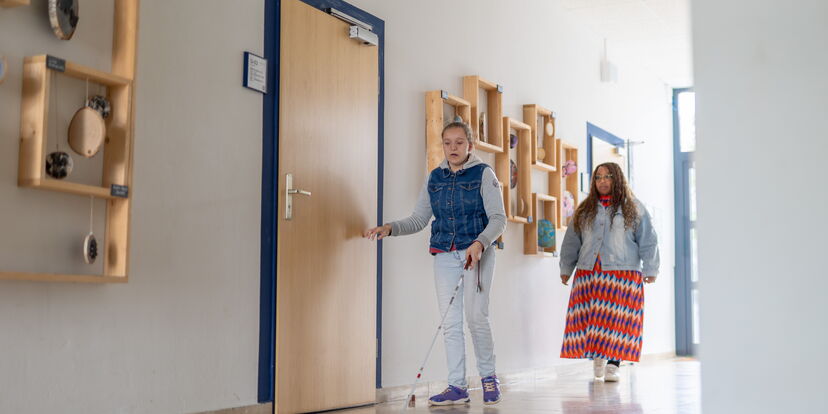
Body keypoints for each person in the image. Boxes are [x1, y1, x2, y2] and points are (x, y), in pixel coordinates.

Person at [364, 121, 506, 405]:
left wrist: (479, 243)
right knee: (450, 324)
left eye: (459, 142)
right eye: (447, 143)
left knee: (476, 317)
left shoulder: (483, 173)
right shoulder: (435, 178)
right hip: (444, 254)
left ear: (470, 145)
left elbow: (499, 219)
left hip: (476, 252)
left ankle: (489, 378)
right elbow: (419, 219)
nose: (453, 148)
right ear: (442, 145)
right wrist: (390, 228)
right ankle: (457, 386)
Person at [559, 162, 659, 382]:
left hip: (622, 275)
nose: (602, 181)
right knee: (594, 318)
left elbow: (648, 240)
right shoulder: (585, 209)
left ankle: (614, 363)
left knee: (619, 320)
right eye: (598, 177)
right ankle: (598, 357)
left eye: (608, 176)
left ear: (617, 179)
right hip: (590, 272)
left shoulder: (634, 206)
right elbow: (571, 240)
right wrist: (566, 268)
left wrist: (651, 268)